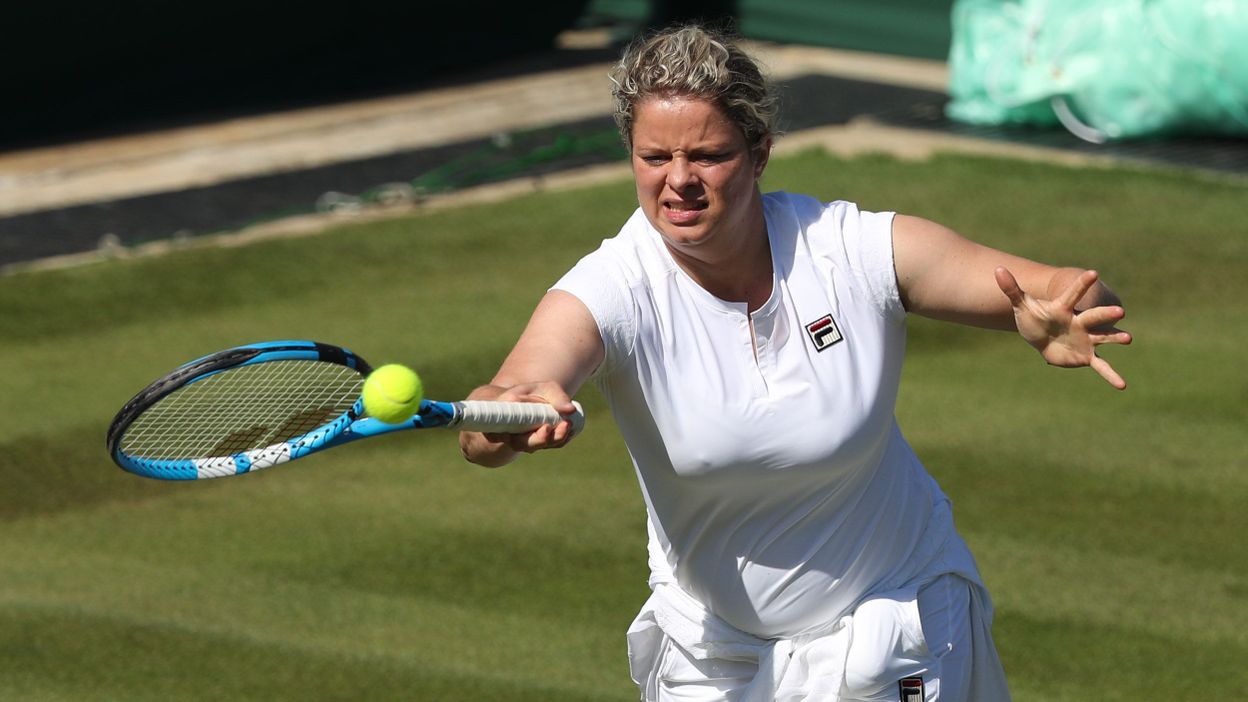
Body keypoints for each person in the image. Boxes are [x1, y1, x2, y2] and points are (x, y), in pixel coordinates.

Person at [459, 24, 1130, 702]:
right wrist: (510, 415)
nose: (679, 181)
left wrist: (1064, 314)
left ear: (759, 154)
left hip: (891, 623)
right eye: (654, 156)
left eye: (709, 155)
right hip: (710, 653)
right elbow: (499, 409)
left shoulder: (850, 249)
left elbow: (1070, 289)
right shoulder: (613, 287)